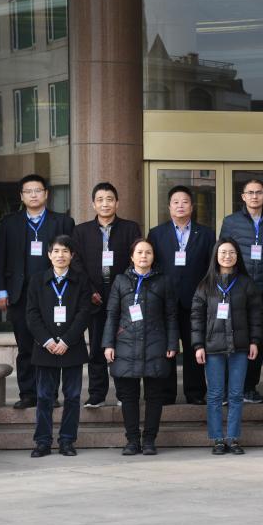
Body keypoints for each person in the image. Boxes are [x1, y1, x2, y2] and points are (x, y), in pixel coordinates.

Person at [0, 174, 75, 409]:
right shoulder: (10, 223)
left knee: (52, 344)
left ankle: (49, 394)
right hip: (20, 295)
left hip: (54, 293)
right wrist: (0, 291)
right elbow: (0, 258)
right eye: (28, 191)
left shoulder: (63, 222)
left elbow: (74, 258)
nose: (33, 195)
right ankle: (28, 394)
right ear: (21, 196)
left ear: (46, 194)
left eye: (38, 190)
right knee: (25, 346)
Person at [103, 239, 179, 456]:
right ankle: (132, 440)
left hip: (156, 344)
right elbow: (112, 314)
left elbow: (171, 315)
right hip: (125, 344)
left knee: (154, 396)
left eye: (148, 252)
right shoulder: (120, 281)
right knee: (128, 396)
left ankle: (149, 440)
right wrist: (108, 343)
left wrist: (172, 343)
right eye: (139, 252)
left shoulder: (163, 281)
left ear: (153, 257)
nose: (143, 256)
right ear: (132, 256)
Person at [190, 238, 263, 455]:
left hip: (240, 347)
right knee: (214, 395)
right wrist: (198, 345)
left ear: (237, 256)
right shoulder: (205, 285)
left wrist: (255, 341)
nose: (227, 256)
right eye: (223, 252)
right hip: (213, 348)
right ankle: (217, 439)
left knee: (236, 394)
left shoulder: (246, 284)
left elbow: (256, 315)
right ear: (216, 256)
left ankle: (233, 438)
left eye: (231, 252)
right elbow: (196, 318)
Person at [71, 182, 142, 408]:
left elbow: (136, 259)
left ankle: (124, 394)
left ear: (117, 203)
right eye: (100, 200)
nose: (105, 204)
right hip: (94, 297)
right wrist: (90, 290)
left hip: (123, 296)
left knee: (123, 346)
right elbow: (76, 264)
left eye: (109, 199)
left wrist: (125, 290)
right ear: (93, 204)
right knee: (96, 347)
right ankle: (97, 394)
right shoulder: (81, 231)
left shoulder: (130, 228)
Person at [147, 185, 216, 405]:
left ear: (192, 207)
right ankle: (166, 393)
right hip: (164, 300)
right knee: (166, 348)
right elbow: (151, 266)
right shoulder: (156, 234)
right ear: (169, 207)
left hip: (195, 300)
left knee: (194, 346)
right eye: (175, 202)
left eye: (185, 202)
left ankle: (195, 392)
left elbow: (210, 268)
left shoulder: (206, 234)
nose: (180, 206)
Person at [25, 236, 91, 457]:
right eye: (56, 251)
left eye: (65, 251)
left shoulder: (81, 280)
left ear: (72, 255)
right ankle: (42, 442)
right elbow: (32, 315)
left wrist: (66, 341)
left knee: (72, 396)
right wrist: (47, 341)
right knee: (44, 396)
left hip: (72, 346)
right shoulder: (37, 280)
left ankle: (67, 441)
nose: (60, 255)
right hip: (45, 347)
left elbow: (84, 313)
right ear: (49, 255)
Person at [219, 178, 263, 405]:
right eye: (250, 193)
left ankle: (249, 388)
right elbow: (222, 253)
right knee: (232, 338)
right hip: (236, 288)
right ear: (243, 197)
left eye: (259, 192)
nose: (254, 196)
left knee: (257, 339)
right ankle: (228, 388)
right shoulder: (231, 222)